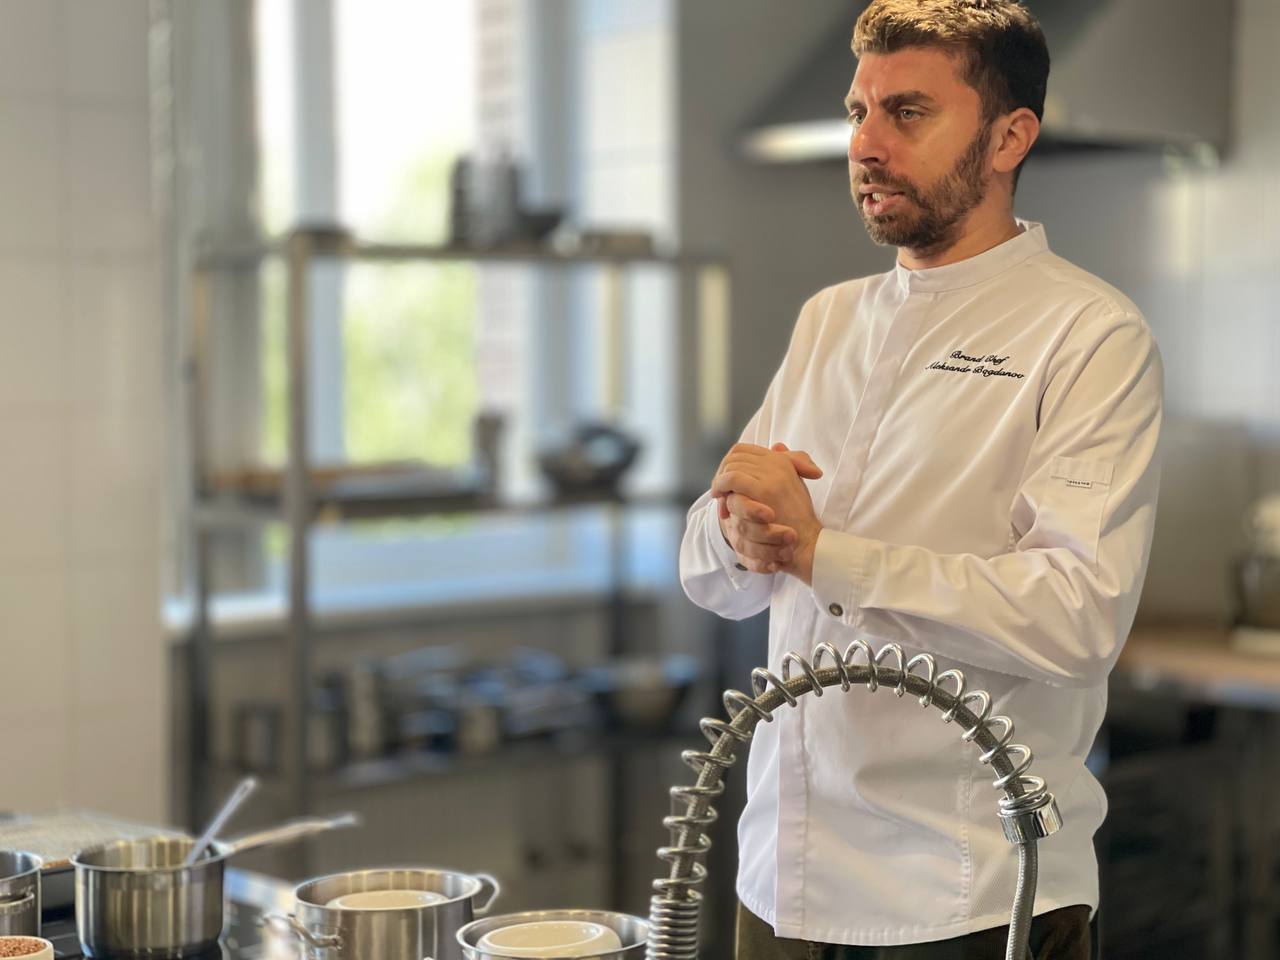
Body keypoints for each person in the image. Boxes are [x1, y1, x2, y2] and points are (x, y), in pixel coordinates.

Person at [678, 1, 1163, 958]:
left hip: (969, 895)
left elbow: (1077, 616)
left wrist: (821, 554)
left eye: (907, 113)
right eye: (858, 113)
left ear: (1009, 138)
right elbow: (710, 573)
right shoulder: (829, 318)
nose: (867, 145)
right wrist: (739, 531)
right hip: (780, 879)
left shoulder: (1089, 334)